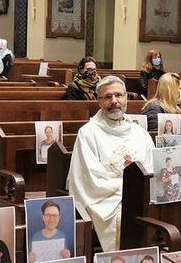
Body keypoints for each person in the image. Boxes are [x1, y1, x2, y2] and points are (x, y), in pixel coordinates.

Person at [65, 76, 154, 251]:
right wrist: (129, 190)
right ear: (99, 101)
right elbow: (89, 180)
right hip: (106, 200)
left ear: (126, 98)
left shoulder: (139, 133)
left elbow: (152, 168)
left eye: (119, 95)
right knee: (124, 217)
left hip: (142, 196)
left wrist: (141, 191)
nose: (114, 101)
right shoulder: (88, 133)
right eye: (107, 97)